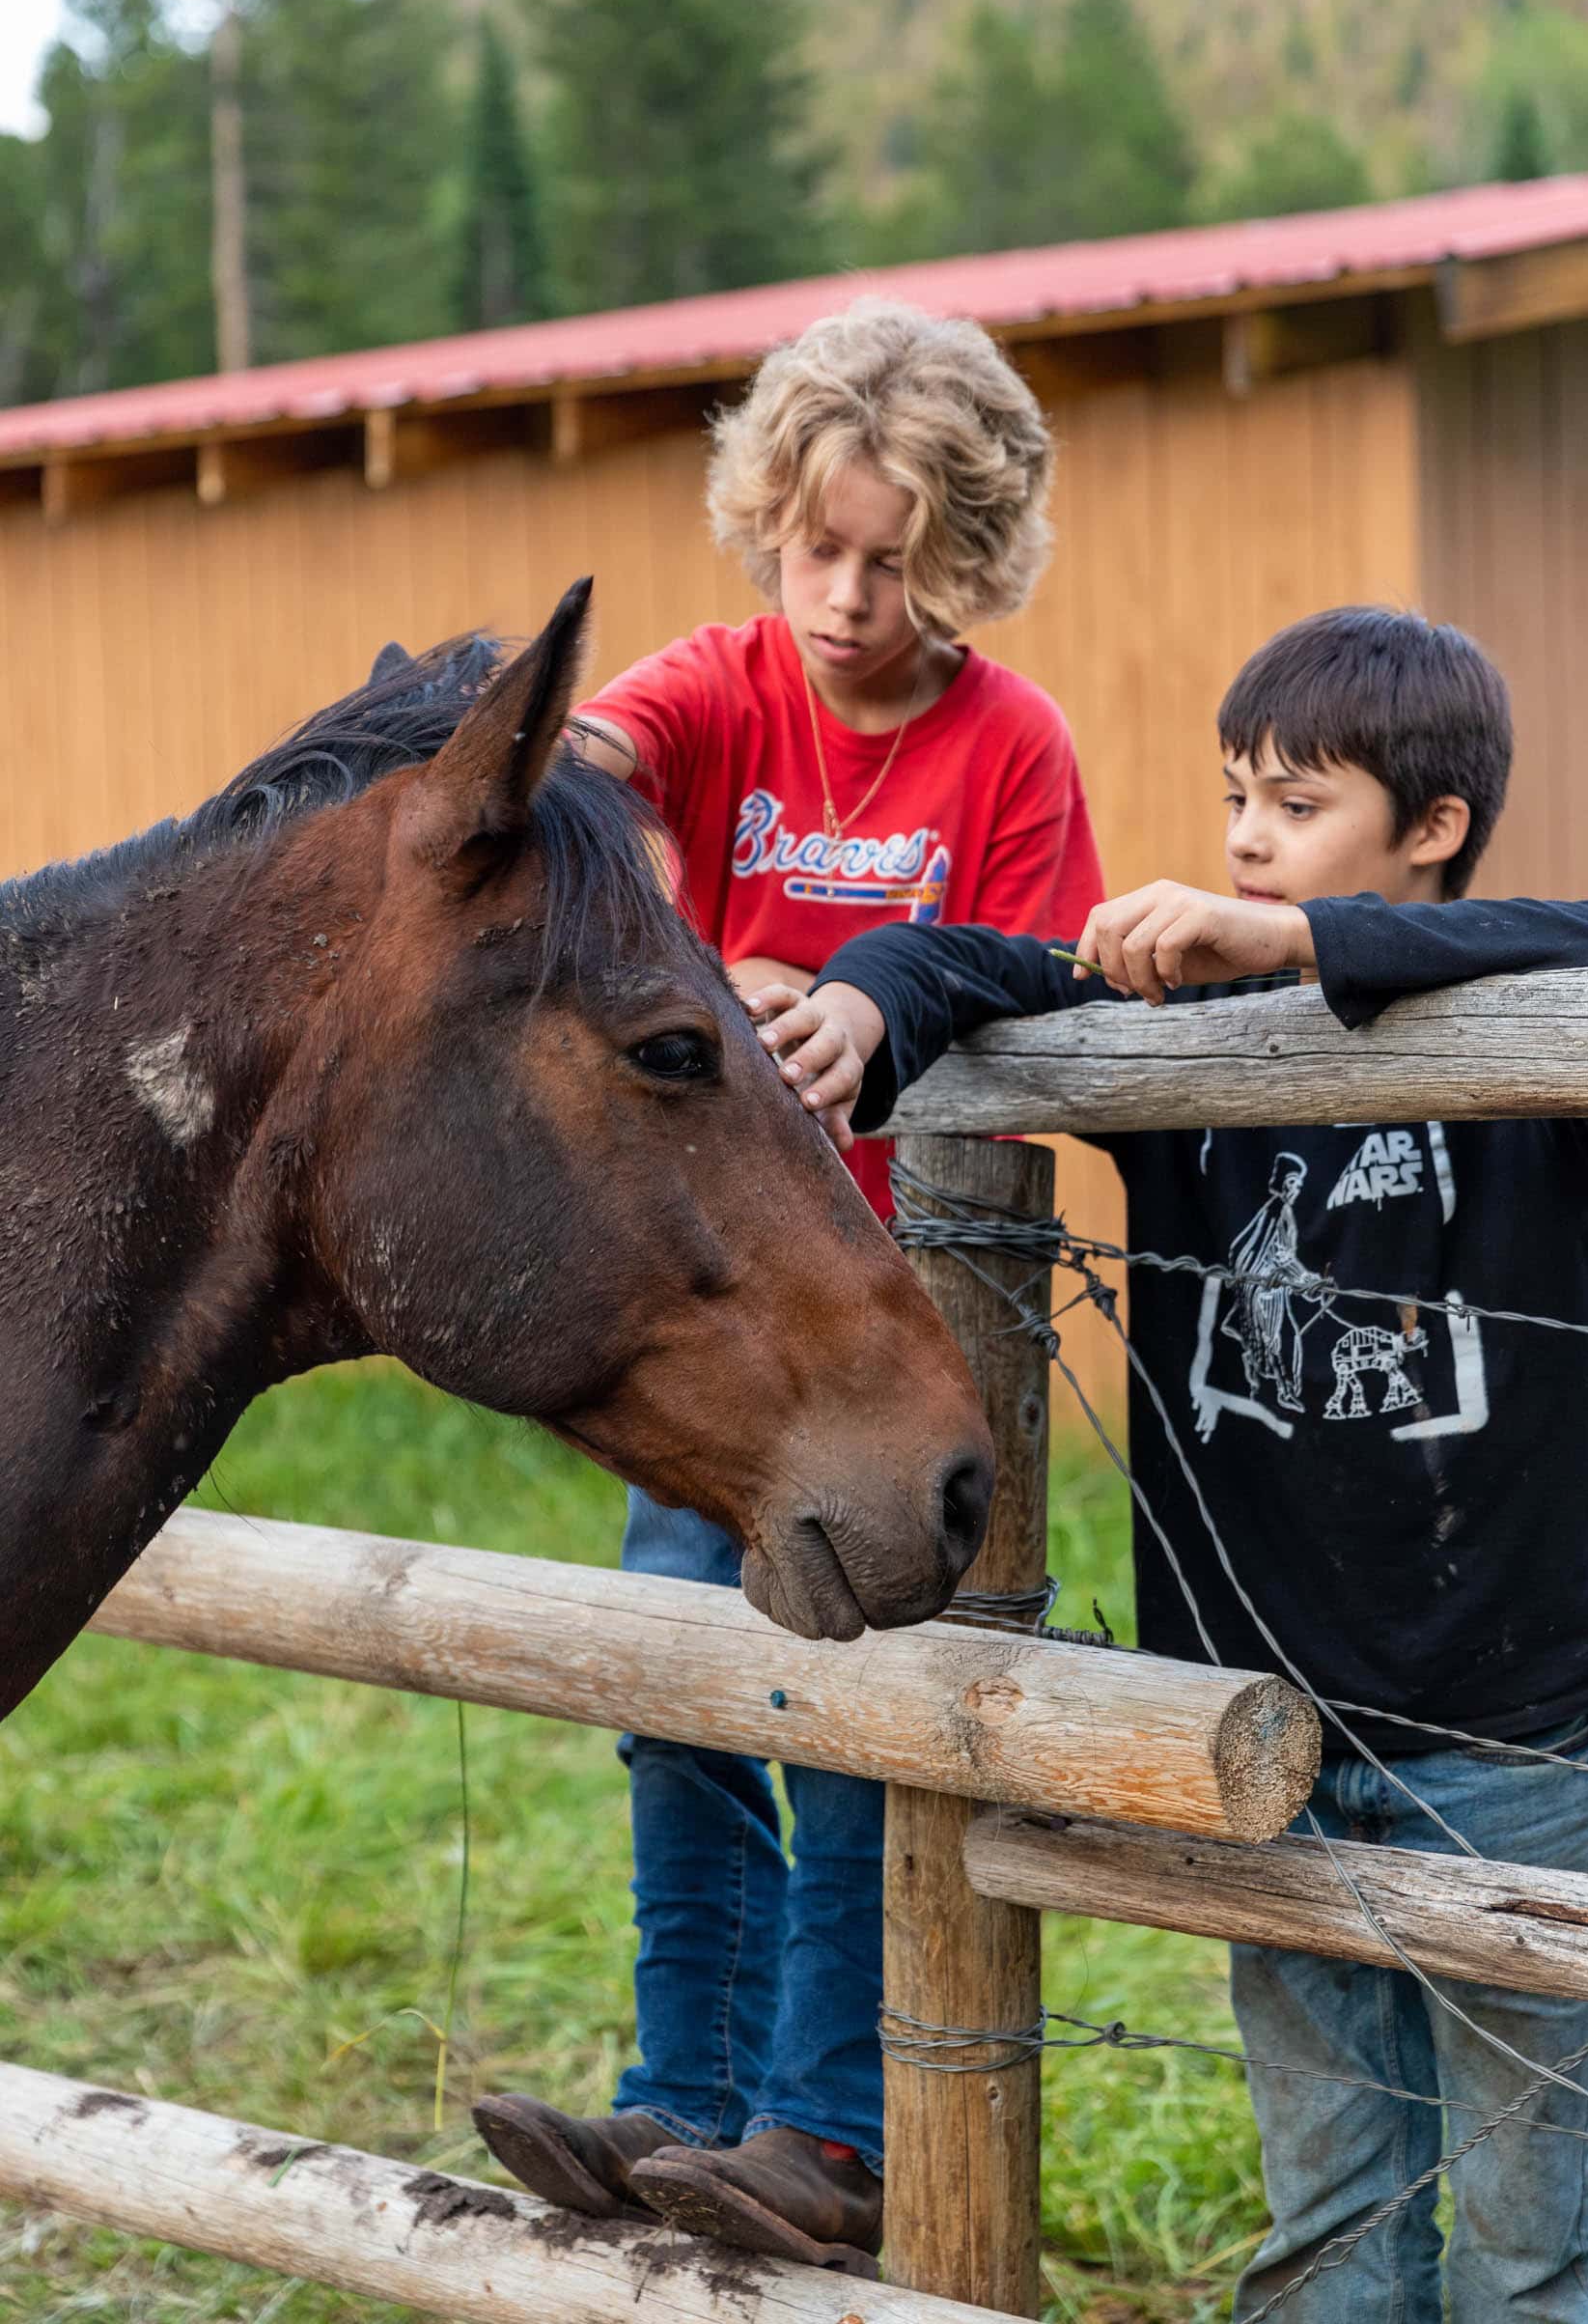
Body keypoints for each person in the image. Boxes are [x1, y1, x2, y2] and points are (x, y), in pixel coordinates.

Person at [759, 603, 1588, 2321]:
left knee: (1537, 2226)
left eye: (1296, 802)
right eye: (1238, 795)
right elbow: (962, 960)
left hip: (1515, 1717)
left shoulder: (1540, 1025)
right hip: (1268, 1727)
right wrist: (867, 1011)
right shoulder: (1180, 1023)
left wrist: (1313, 938)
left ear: (1434, 828)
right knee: (1330, 2211)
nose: (1244, 836)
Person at [472, 296, 1103, 2272]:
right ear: (768, 519)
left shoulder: (1006, 747)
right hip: (721, 1319)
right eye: (814, 544)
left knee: (846, 1724)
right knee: (681, 1687)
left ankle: (826, 2129)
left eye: (890, 559)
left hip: (905, 1332)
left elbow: (1050, 974)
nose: (839, 596)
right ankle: (685, 2095)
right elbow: (587, 761)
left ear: (964, 552)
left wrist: (873, 998)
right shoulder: (725, 685)